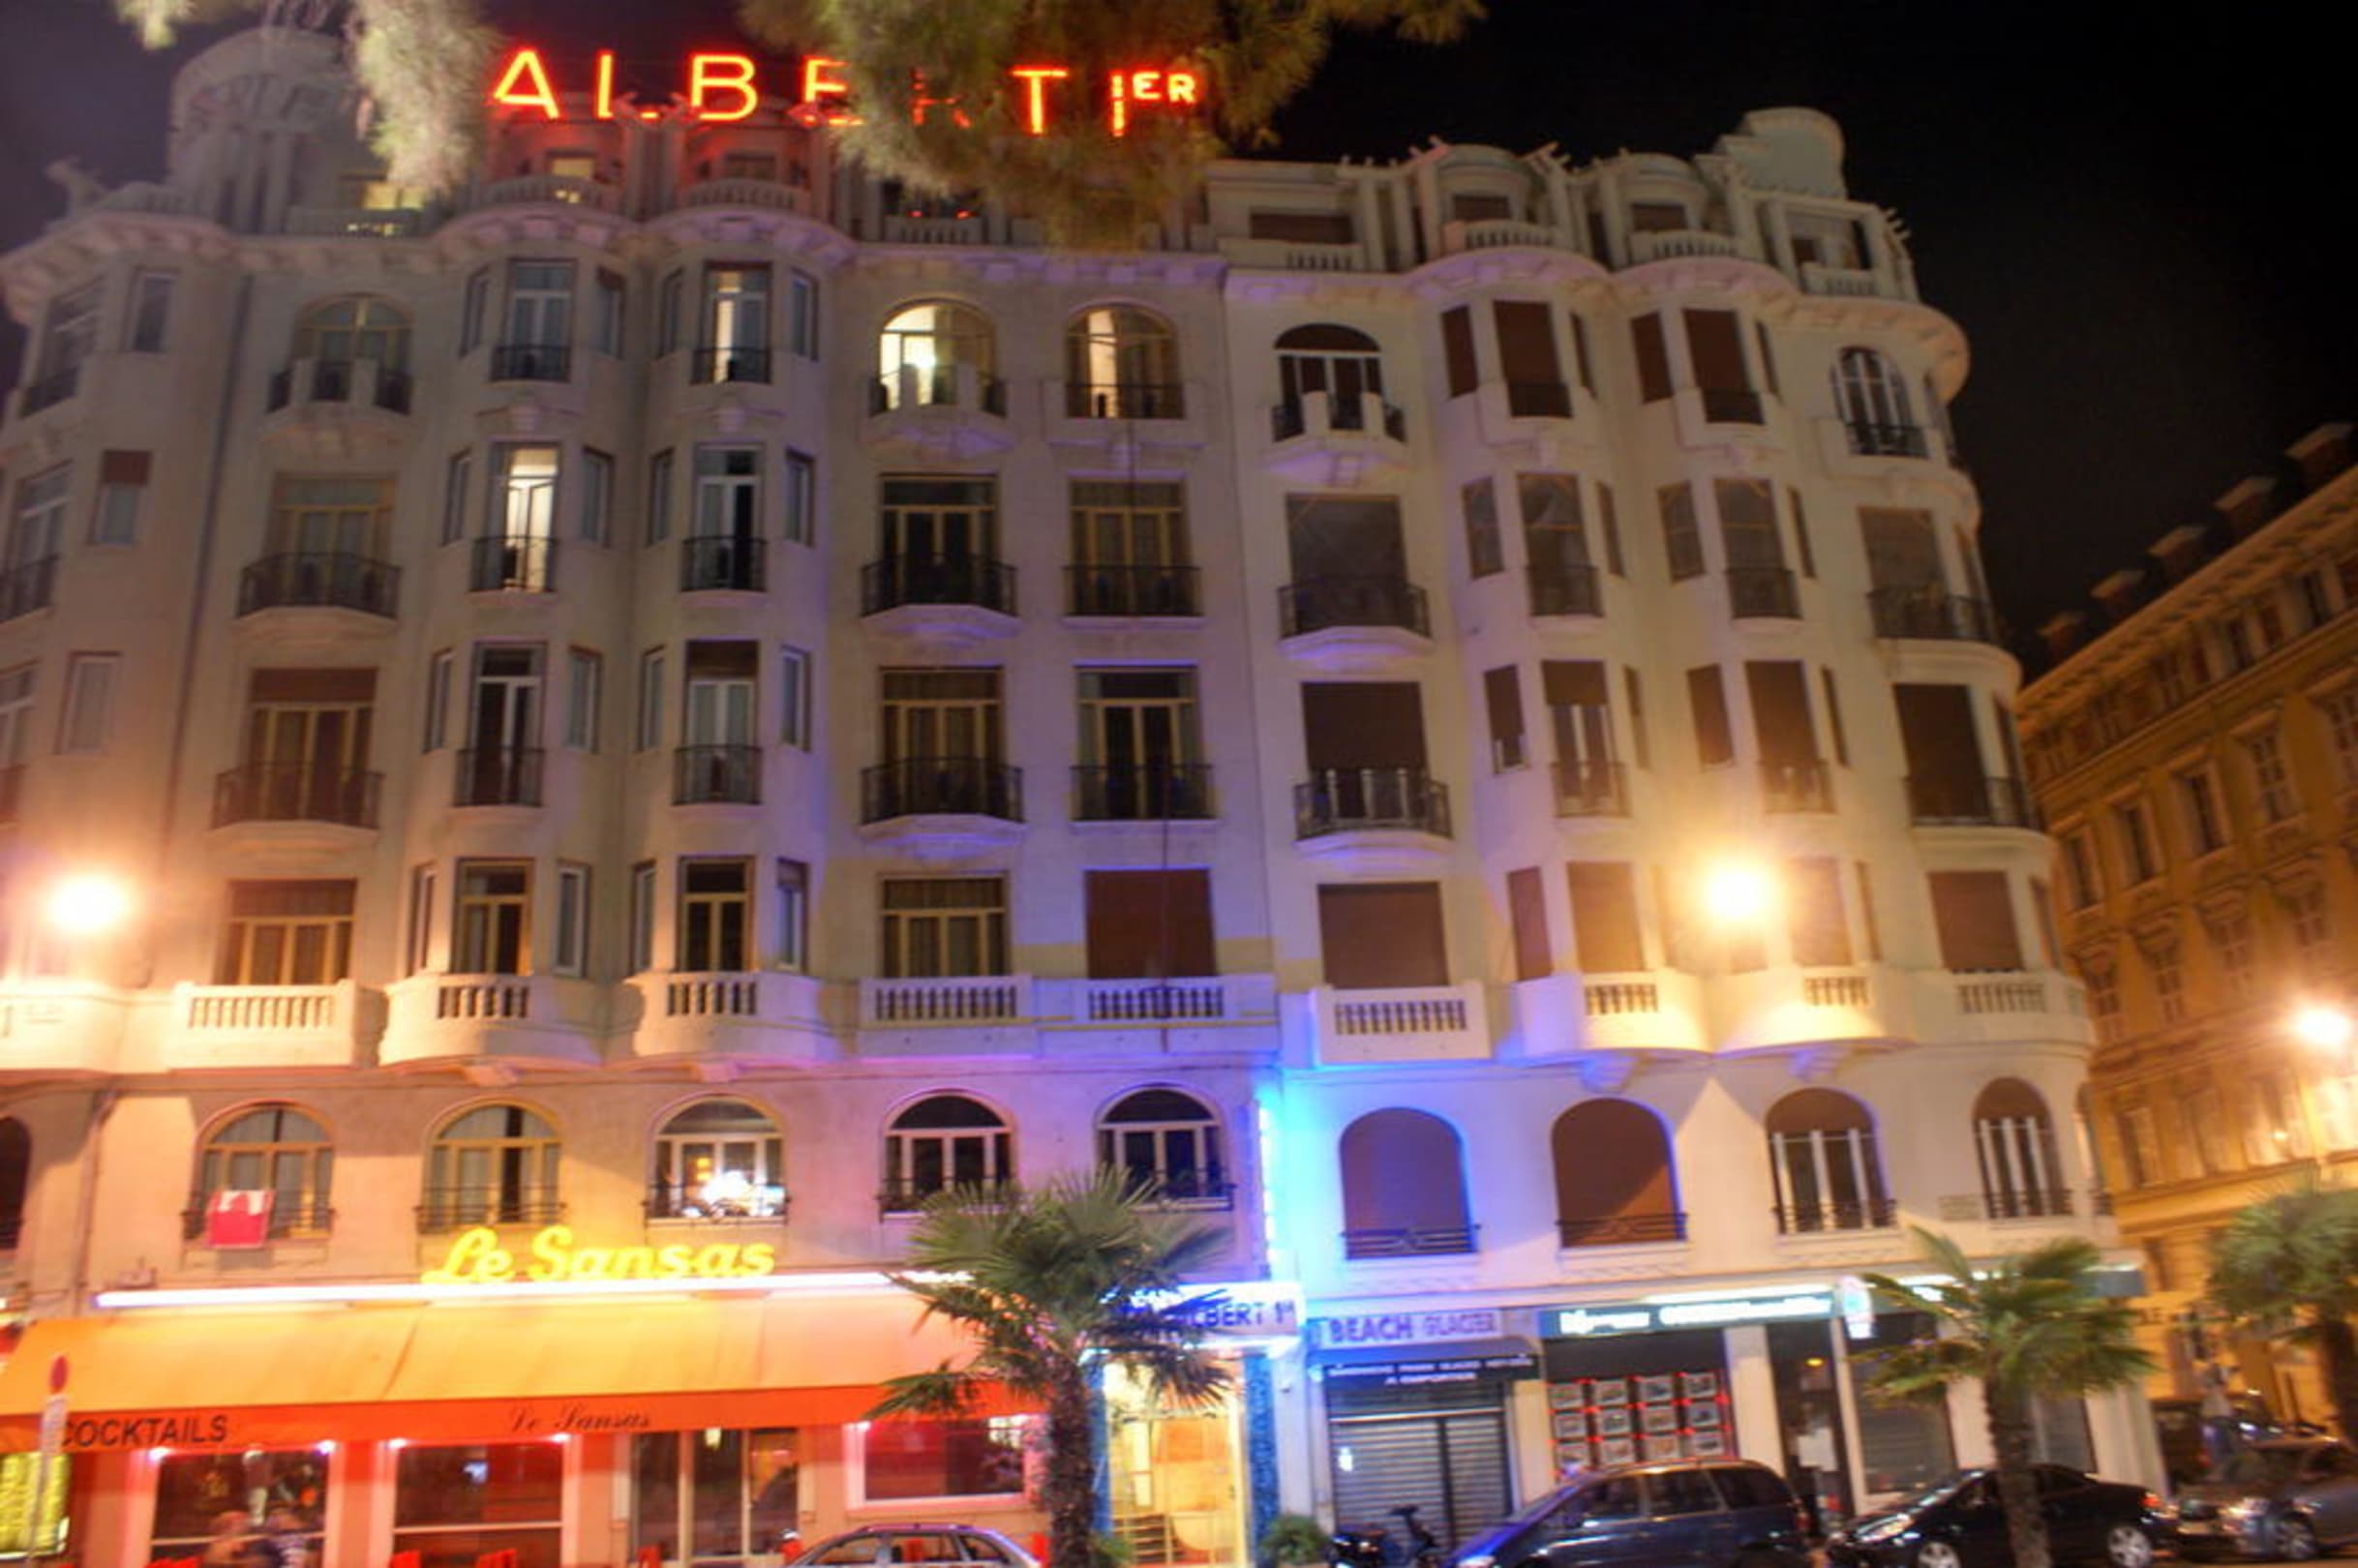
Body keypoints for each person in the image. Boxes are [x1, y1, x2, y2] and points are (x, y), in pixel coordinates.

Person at [201, 1510, 265, 1568]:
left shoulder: (239, 1541)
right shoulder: (220, 1544)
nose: (245, 1526)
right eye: (240, 1523)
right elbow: (215, 1563)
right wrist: (243, 1564)